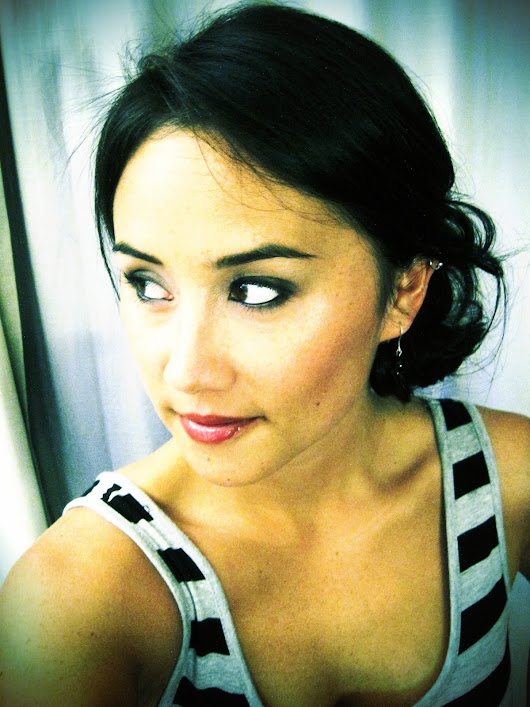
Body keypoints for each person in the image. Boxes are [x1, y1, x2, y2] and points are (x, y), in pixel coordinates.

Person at [0, 2, 528, 705]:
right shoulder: (76, 602)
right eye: (147, 284)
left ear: (403, 289)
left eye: (255, 290)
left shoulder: (510, 480)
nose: (185, 371)